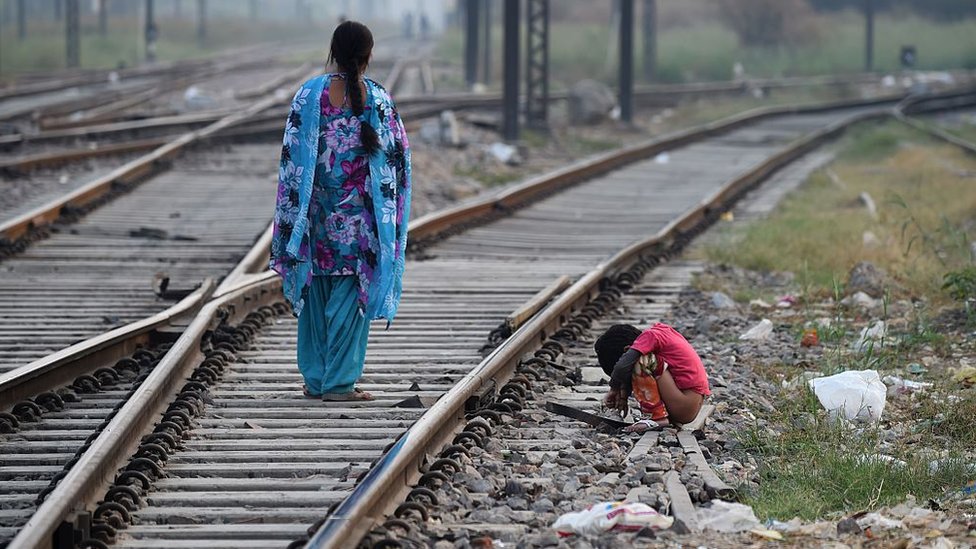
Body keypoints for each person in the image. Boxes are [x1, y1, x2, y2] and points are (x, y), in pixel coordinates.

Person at [271, 21, 411, 402]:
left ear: (333, 50)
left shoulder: (308, 96)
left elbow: (290, 161)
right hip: (361, 221)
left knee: (316, 291)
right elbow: (398, 165)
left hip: (314, 218)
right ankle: (338, 384)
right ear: (368, 55)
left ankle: (316, 380)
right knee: (352, 294)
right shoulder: (379, 100)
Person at [595, 323, 710, 431]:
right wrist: (623, 396)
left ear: (627, 349)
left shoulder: (650, 337)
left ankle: (657, 417)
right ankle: (664, 417)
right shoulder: (659, 334)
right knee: (642, 362)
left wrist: (614, 388)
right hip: (687, 403)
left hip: (683, 405)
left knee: (643, 361)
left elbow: (621, 367)